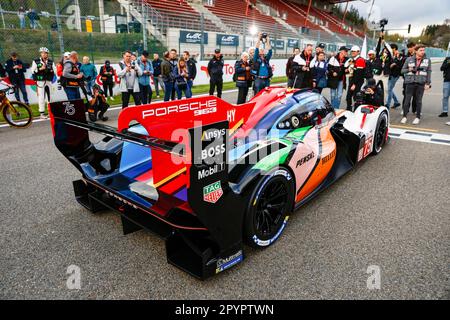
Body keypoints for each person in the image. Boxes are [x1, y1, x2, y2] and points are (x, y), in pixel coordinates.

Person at [401, 44, 431, 125]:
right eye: (421, 50)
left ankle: (417, 117)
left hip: (421, 83)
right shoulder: (409, 59)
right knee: (407, 100)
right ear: (416, 51)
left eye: (423, 50)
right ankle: (404, 116)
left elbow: (428, 72)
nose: (422, 52)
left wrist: (428, 83)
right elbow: (402, 71)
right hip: (410, 82)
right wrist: (409, 69)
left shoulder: (427, 60)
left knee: (419, 101)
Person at [30, 47, 57, 119]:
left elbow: (55, 71)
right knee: (41, 97)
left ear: (47, 54)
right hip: (40, 82)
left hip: (48, 81)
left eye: (45, 53)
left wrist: (50, 70)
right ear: (40, 53)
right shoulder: (36, 61)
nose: (44, 54)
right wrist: (40, 69)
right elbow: (32, 71)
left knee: (50, 97)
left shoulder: (51, 61)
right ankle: (42, 113)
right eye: (42, 53)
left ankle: (50, 112)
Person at [345, 45, 367, 111]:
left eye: (354, 51)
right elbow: (352, 70)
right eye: (352, 51)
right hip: (352, 80)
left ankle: (356, 111)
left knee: (356, 98)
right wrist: (347, 70)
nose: (352, 52)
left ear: (358, 52)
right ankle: (349, 110)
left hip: (357, 82)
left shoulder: (360, 60)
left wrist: (354, 84)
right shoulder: (352, 59)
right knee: (348, 97)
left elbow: (359, 74)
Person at [386, 44, 403, 109]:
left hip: (395, 75)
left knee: (389, 89)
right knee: (389, 89)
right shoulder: (391, 55)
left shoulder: (399, 55)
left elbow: (401, 65)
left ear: (394, 48)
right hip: (391, 74)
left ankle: (388, 104)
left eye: (391, 48)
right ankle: (396, 102)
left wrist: (394, 64)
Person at [402, 42, 416, 115]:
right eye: (409, 47)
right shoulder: (406, 56)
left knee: (416, 95)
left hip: (416, 78)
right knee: (406, 95)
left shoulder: (418, 55)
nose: (410, 49)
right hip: (407, 78)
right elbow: (403, 67)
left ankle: (414, 110)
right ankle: (405, 109)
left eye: (411, 47)